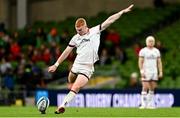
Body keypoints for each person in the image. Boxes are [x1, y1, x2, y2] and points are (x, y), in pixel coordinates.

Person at [48, 4, 134, 114]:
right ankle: (70, 83)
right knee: (71, 80)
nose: (78, 32)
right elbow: (66, 52)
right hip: (76, 65)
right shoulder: (75, 38)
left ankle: (62, 105)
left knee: (76, 86)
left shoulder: (95, 31)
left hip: (87, 68)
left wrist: (122, 12)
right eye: (77, 30)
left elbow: (109, 20)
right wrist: (56, 64)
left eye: (80, 30)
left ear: (85, 26)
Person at [138, 36, 163, 109]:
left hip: (154, 72)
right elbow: (140, 62)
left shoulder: (156, 51)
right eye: (149, 41)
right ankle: (143, 104)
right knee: (145, 87)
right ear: (146, 42)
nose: (151, 42)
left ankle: (150, 104)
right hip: (146, 71)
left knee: (152, 88)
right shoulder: (143, 51)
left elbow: (159, 62)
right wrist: (141, 71)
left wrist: (160, 71)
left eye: (152, 41)